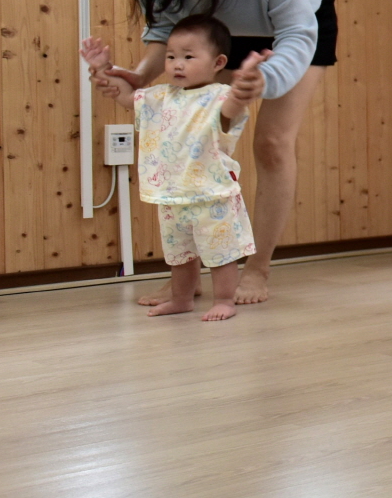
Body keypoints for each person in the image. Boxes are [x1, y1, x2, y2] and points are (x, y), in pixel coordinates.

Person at [88, 0, 335, 306]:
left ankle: (256, 270)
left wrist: (266, 80)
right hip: (215, 34)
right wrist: (140, 77)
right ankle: (187, 277)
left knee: (272, 143)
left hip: (294, 28)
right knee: (194, 144)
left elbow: (297, 30)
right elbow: (166, 29)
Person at [82, 17, 267, 321]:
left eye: (188, 57)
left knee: (221, 254)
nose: (177, 64)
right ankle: (181, 299)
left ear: (218, 62)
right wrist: (102, 68)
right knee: (180, 254)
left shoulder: (220, 96)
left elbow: (233, 106)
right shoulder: (161, 96)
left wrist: (245, 81)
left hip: (213, 195)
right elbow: (125, 95)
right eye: (171, 56)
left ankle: (224, 300)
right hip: (172, 194)